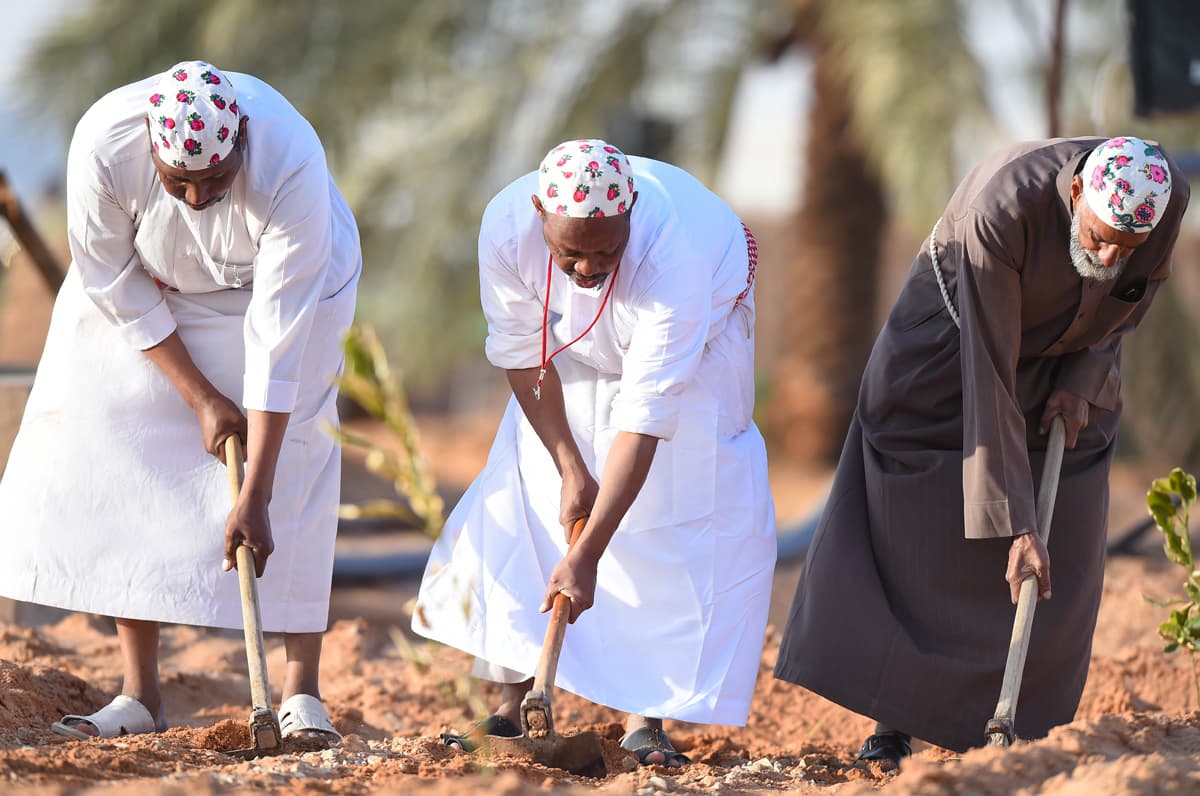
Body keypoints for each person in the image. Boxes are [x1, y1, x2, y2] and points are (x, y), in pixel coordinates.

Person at [773, 136, 1189, 764]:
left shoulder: (1163, 198)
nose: (1109, 257)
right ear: (1077, 192)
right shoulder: (1001, 210)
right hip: (952, 349)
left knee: (1069, 533)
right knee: (928, 532)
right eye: (1099, 237)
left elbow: (1131, 298)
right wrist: (1017, 524)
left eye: (1125, 248)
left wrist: (1083, 380)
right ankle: (894, 722)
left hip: (1070, 352)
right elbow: (990, 373)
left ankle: (1024, 729)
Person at [0, 60, 360, 743]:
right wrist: (200, 396)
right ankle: (140, 693)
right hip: (152, 283)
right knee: (124, 443)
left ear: (241, 138)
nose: (196, 200)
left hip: (284, 293)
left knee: (297, 457)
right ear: (149, 145)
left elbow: (278, 341)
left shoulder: (290, 160)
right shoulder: (103, 146)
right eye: (178, 183)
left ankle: (300, 694)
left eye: (215, 181)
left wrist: (255, 493)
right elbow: (110, 278)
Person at [413, 139, 775, 766]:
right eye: (570, 253)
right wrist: (569, 467)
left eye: (606, 251)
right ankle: (509, 707)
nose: (586, 268)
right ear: (538, 214)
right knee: (529, 492)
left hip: (699, 348)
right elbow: (522, 354)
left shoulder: (677, 253)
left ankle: (644, 719)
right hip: (570, 347)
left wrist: (588, 554)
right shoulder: (506, 227)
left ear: (630, 213)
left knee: (665, 512)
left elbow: (647, 416)